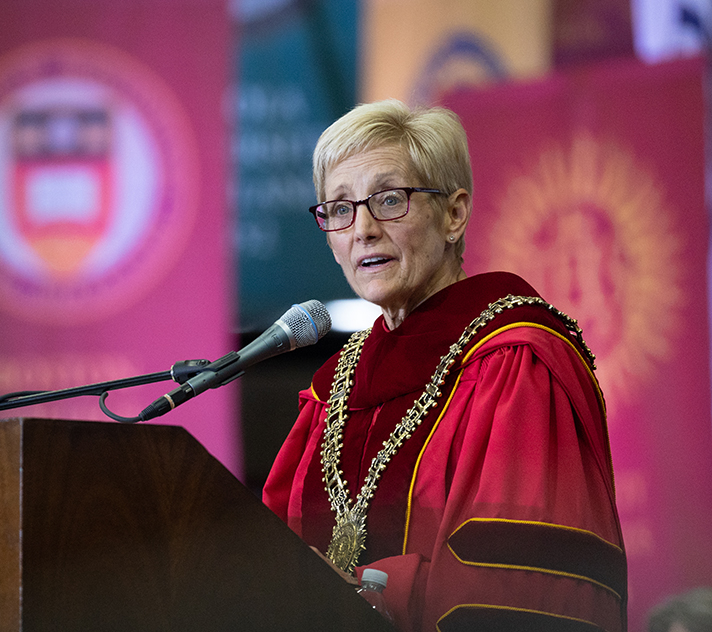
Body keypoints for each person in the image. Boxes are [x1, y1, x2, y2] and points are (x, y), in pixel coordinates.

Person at [262, 99, 627, 631]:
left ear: (454, 214)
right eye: (339, 209)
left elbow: (524, 591)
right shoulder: (333, 392)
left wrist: (368, 597)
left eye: (389, 200)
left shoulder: (516, 362)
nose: (362, 229)